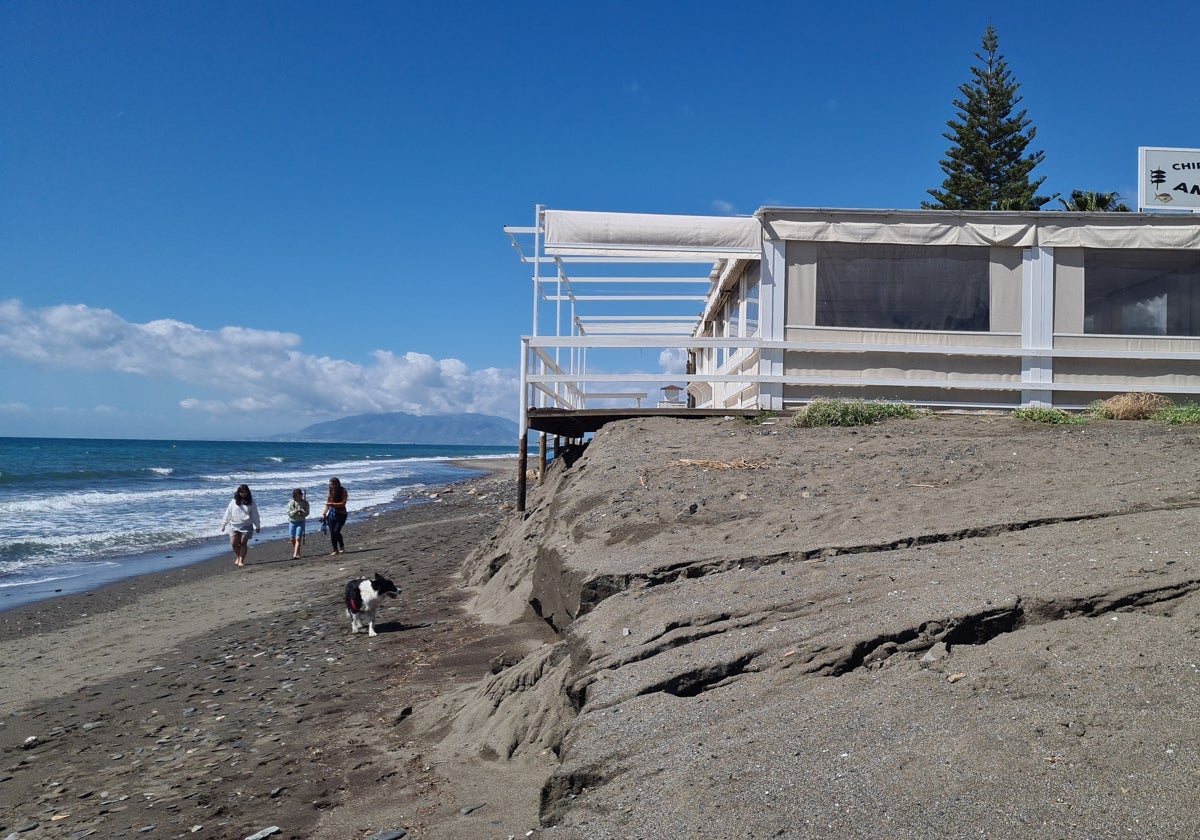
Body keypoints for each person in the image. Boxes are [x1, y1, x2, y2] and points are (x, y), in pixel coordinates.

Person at [220, 484, 261, 567]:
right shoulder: (233, 501)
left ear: (248, 492)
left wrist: (257, 525)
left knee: (243, 542)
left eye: (245, 492)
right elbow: (228, 513)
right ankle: (239, 556)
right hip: (234, 525)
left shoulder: (251, 502)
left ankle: (241, 560)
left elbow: (255, 514)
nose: (243, 494)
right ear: (238, 492)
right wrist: (223, 524)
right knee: (233, 543)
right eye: (241, 492)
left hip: (246, 525)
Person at [321, 477, 349, 556]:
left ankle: (341, 546)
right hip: (331, 514)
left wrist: (332, 504)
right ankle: (335, 550)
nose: (330, 486)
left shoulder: (343, 491)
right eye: (329, 484)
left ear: (336, 484)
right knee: (333, 532)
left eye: (332, 484)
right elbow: (327, 504)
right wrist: (324, 513)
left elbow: (343, 503)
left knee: (337, 531)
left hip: (341, 514)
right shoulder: (330, 492)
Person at [287, 488, 310, 559]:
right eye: (296, 496)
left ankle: (295, 553)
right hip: (292, 522)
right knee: (292, 538)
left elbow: (307, 513)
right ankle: (297, 552)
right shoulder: (291, 503)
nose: (298, 497)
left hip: (301, 522)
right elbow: (289, 513)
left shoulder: (305, 503)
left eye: (299, 496)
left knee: (298, 538)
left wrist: (303, 512)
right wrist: (295, 512)